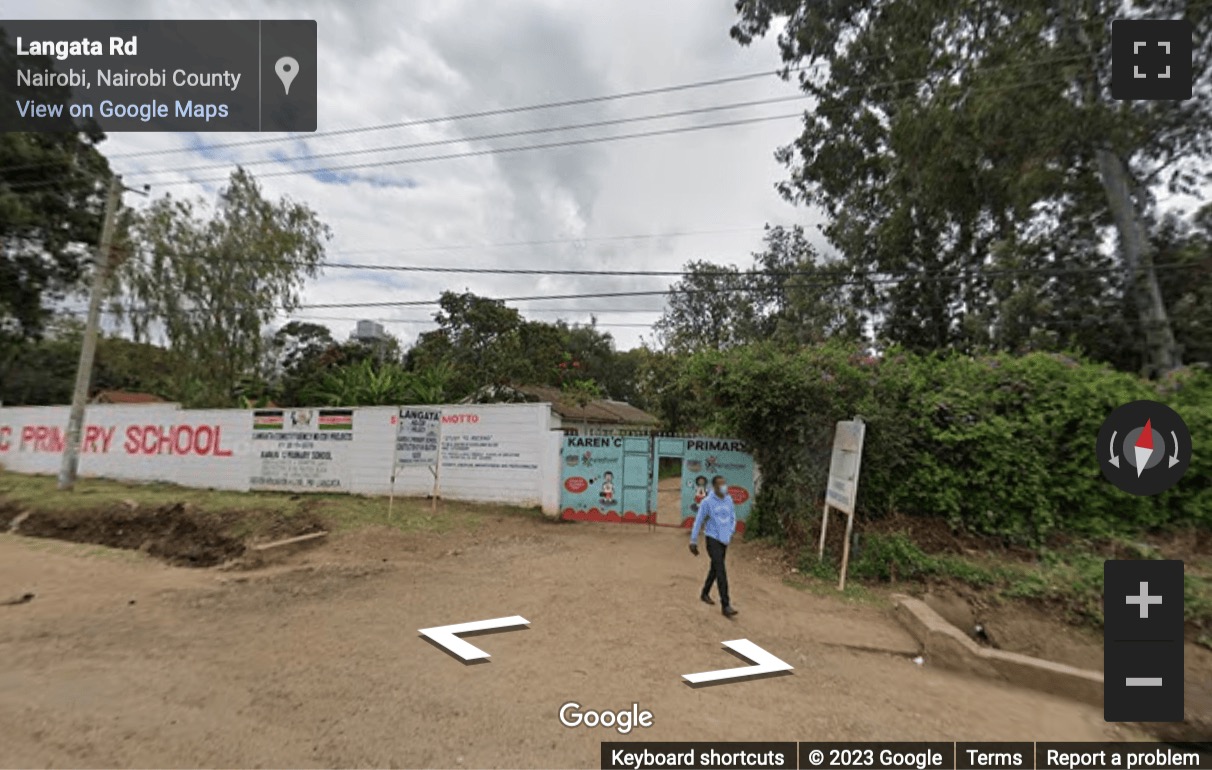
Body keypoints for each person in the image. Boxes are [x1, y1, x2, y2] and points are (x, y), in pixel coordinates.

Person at [688, 474, 738, 617]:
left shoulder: (728, 499)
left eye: (724, 483)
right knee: (721, 570)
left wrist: (730, 531)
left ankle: (704, 593)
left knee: (715, 569)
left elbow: (732, 517)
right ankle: (726, 605)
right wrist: (693, 541)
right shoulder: (707, 502)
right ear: (714, 487)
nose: (724, 487)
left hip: (724, 539)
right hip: (712, 539)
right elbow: (698, 521)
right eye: (720, 484)